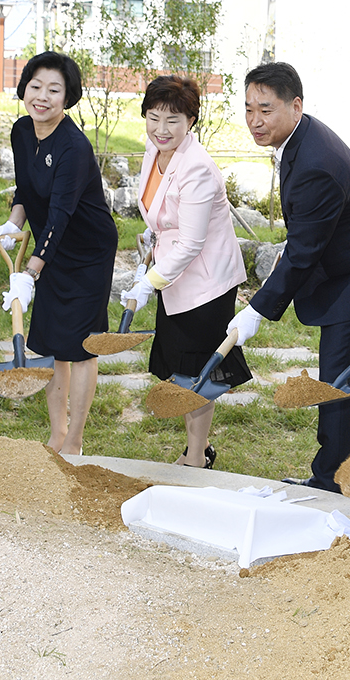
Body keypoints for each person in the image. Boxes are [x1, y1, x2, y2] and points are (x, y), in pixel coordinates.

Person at [230, 62, 350, 491]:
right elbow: (306, 234)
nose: (255, 120)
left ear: (296, 106)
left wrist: (257, 309)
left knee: (340, 383)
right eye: (249, 108)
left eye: (266, 109)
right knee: (339, 378)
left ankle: (336, 482)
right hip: (349, 265)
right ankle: (337, 473)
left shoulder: (314, 163)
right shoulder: (300, 138)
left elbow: (303, 252)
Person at [0, 51, 118, 455]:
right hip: (50, 246)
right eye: (36, 86)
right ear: (24, 88)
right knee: (52, 343)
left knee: (79, 347)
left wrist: (30, 272)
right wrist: (14, 222)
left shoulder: (74, 147)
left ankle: (75, 441)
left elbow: (61, 214)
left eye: (54, 90)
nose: (42, 97)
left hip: (86, 253)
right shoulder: (22, 131)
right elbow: (27, 186)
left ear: (68, 96)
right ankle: (56, 434)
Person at [120, 75, 251, 469]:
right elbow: (162, 209)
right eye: (153, 117)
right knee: (180, 368)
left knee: (198, 372)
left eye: (173, 120)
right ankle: (198, 448)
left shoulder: (198, 168)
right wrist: (152, 232)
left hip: (205, 282)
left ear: (191, 120)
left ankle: (197, 456)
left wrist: (147, 283)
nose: (161, 129)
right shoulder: (155, 150)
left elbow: (192, 242)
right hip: (175, 272)